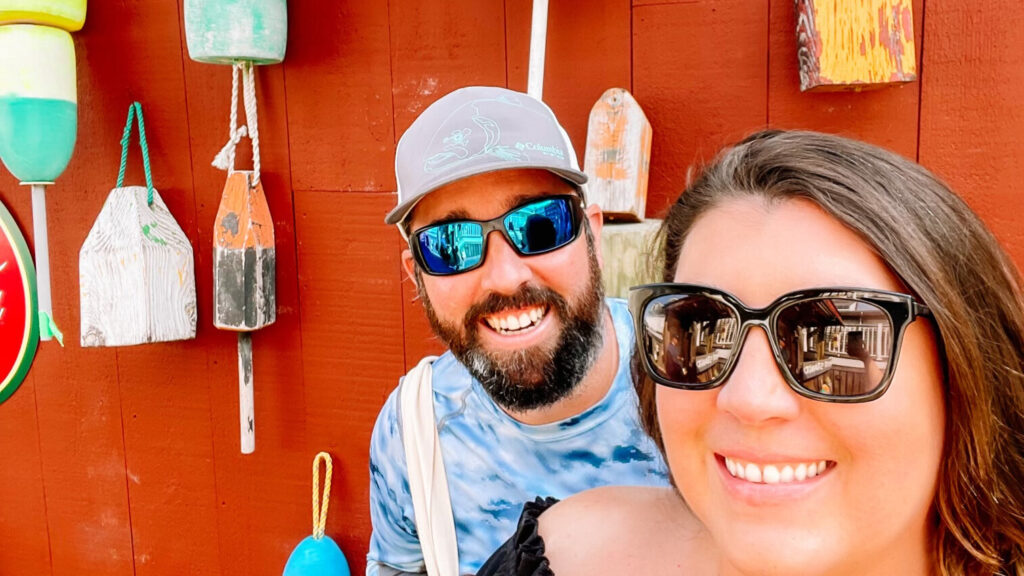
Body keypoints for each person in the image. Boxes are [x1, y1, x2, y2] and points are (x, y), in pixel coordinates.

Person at [478, 130, 1024, 576]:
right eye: (700, 329)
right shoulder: (563, 556)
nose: (749, 399)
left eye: (835, 340)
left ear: (962, 371)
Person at [366, 86, 669, 576]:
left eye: (541, 224)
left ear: (593, 234)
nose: (506, 277)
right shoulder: (414, 430)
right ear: (415, 275)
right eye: (451, 244)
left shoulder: (692, 381)